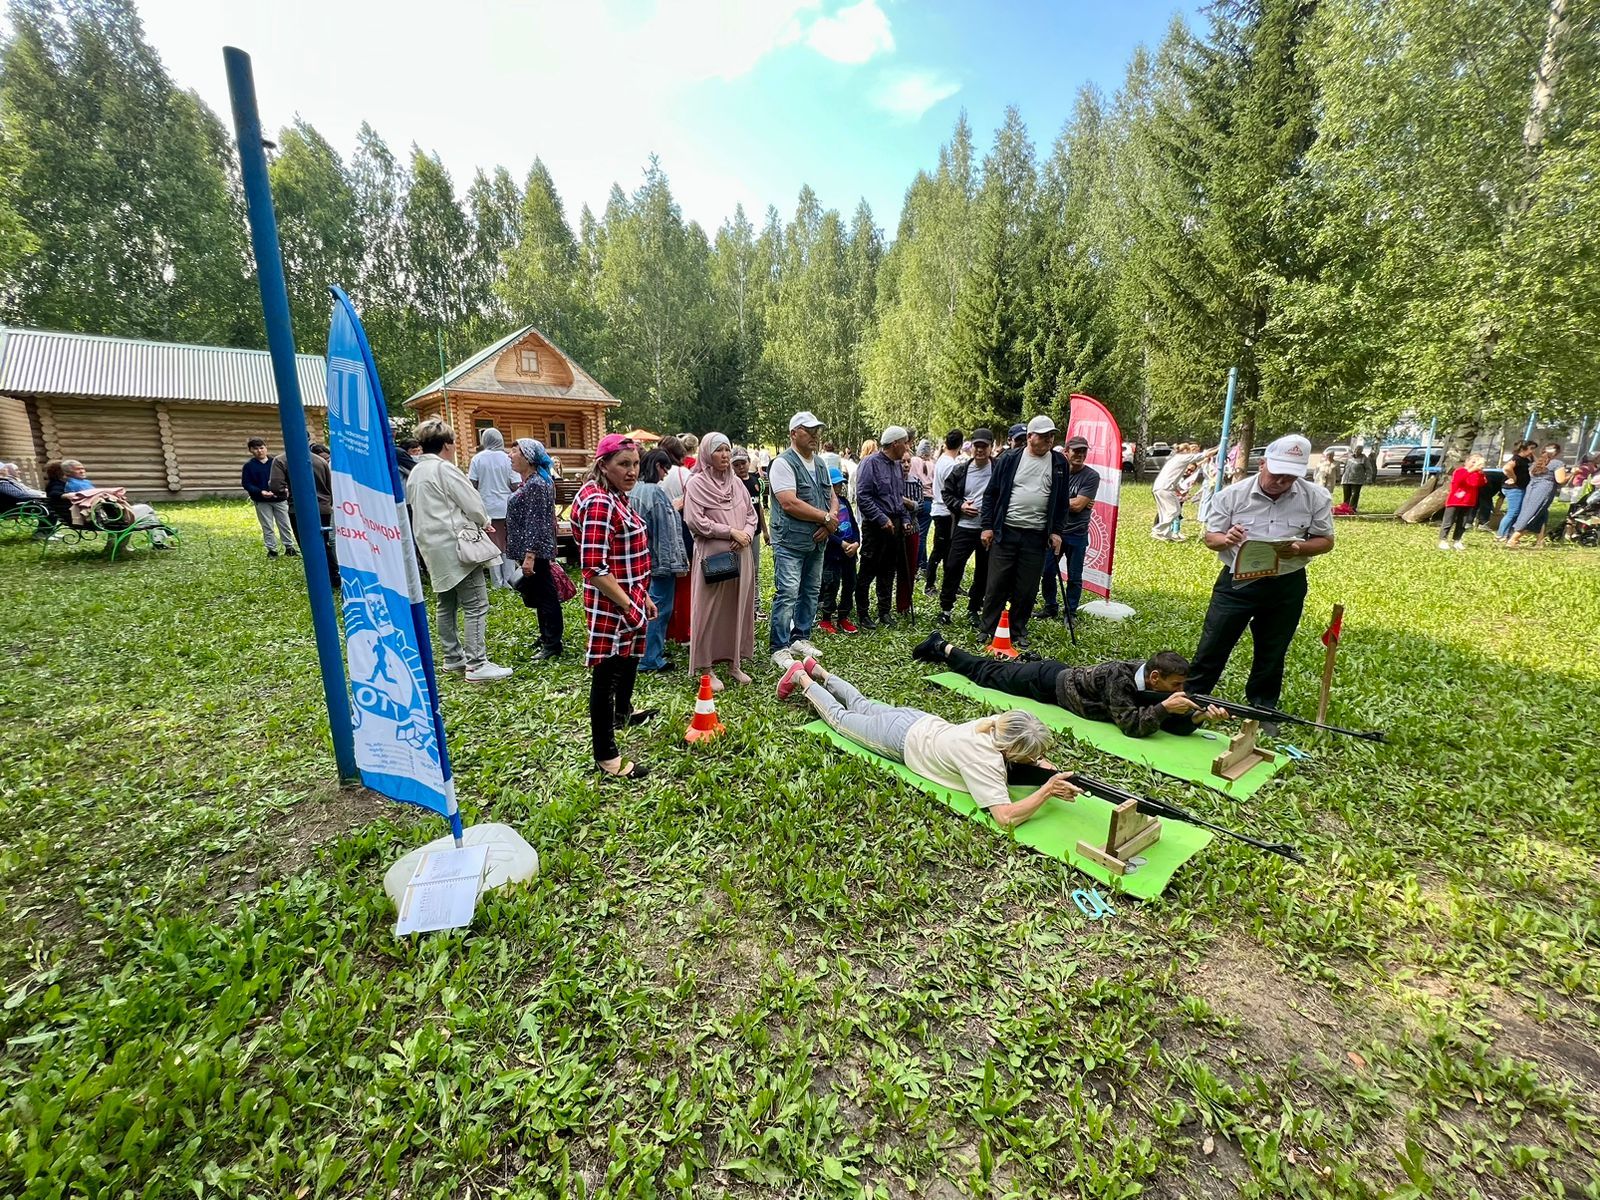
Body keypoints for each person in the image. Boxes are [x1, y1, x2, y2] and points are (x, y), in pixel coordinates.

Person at [775, 656, 1081, 831]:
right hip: (898, 741)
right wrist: (1047, 789)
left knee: (862, 703)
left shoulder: (997, 723)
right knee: (840, 720)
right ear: (1013, 752)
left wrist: (1043, 766)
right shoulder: (983, 759)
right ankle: (802, 677)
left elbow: (1019, 748)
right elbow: (1005, 818)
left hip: (916, 721)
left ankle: (821, 671)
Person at [1187, 434, 1334, 712]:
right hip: (1237, 583)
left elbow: (1326, 541)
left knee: (1273, 650)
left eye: (1290, 478)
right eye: (1277, 474)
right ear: (1263, 463)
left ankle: (1262, 709)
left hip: (1286, 585)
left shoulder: (1315, 496)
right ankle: (1192, 700)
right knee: (1214, 643)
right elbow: (1210, 538)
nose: (1281, 482)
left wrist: (1300, 547)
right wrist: (1227, 539)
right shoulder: (1231, 495)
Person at [912, 631, 1228, 738]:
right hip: (1047, 682)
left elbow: (1164, 721)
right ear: (1156, 678)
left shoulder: (1148, 680)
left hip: (1063, 679)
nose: (1176, 692)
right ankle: (942, 647)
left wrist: (1197, 717)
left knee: (999, 669)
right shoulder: (1121, 676)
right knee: (987, 673)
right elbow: (1133, 725)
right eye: (1173, 686)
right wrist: (1164, 706)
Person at [574, 434, 658, 779]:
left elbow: (627, 554)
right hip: (612, 603)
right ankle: (606, 756)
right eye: (623, 464)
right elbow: (594, 569)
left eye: (636, 463)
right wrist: (627, 606)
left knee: (627, 662)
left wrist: (644, 597)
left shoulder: (616, 496)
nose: (632, 471)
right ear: (603, 465)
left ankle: (623, 713)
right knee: (606, 674)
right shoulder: (599, 503)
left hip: (629, 596)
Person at [404, 419, 513, 683]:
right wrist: (485, 521)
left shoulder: (416, 471)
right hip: (458, 544)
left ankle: (453, 658)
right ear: (447, 445)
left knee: (446, 602)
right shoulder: (445, 469)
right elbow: (473, 503)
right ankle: (477, 664)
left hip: (430, 544)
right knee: (476, 603)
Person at [979, 415, 1069, 649]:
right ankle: (987, 628)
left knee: (1026, 586)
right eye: (1044, 435)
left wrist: (1057, 531)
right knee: (997, 582)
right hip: (1006, 531)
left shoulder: (1059, 463)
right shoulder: (1009, 459)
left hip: (1036, 535)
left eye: (1052, 435)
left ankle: (1018, 630)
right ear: (1030, 437)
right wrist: (987, 526)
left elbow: (1061, 502)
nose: (1049, 439)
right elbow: (991, 495)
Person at [684, 432, 759, 690]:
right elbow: (695, 521)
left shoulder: (737, 483)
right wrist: (729, 532)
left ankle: (733, 662)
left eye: (727, 449)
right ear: (706, 454)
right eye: (719, 450)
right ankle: (707, 666)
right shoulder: (696, 484)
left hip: (742, 553)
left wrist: (747, 534)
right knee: (710, 611)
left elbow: (752, 514)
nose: (725, 455)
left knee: (737, 608)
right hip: (715, 557)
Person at [768, 411, 840, 654]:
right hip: (789, 542)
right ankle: (779, 646)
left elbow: (831, 496)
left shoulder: (820, 463)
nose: (815, 435)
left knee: (810, 591)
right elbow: (790, 503)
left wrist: (828, 521)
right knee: (788, 592)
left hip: (817, 542)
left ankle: (800, 637)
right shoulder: (782, 463)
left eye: (817, 431)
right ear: (793, 433)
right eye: (808, 430)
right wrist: (826, 518)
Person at [506, 437, 565, 661]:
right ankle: (547, 636)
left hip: (536, 551)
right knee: (541, 595)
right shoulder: (534, 481)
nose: (510, 456)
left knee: (546, 595)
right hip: (532, 549)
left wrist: (530, 555)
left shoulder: (537, 484)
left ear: (529, 458)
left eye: (515, 452)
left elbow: (536, 522)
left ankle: (553, 642)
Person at [854, 427, 916, 629]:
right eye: (905, 442)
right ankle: (863, 613)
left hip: (895, 524)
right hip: (875, 526)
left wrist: (905, 519)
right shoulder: (870, 463)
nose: (908, 446)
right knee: (868, 569)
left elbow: (898, 498)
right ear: (895, 443)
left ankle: (884, 611)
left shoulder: (898, 466)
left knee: (888, 570)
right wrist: (881, 518)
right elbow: (862, 496)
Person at [633, 450, 687, 672]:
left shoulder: (635, 490)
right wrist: (675, 564)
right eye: (665, 469)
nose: (666, 475)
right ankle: (651, 659)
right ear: (657, 466)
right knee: (659, 609)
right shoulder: (655, 492)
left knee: (642, 608)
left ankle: (641, 652)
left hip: (640, 561)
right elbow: (667, 532)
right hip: (659, 563)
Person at [1040, 434, 1101, 623]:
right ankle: (1050, 607)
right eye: (1076, 450)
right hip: (1055, 532)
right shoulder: (1056, 471)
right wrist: (1070, 502)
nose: (1080, 455)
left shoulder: (1091, 476)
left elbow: (1078, 506)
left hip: (1077, 534)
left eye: (1084, 451)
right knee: (1047, 571)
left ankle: (1070, 612)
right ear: (1066, 452)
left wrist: (1056, 502)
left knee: (1074, 577)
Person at [938, 428, 995, 627]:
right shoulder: (960, 470)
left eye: (984, 446)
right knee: (953, 566)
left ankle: (974, 608)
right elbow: (947, 494)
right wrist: (960, 505)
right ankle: (946, 609)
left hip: (987, 530)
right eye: (976, 446)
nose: (979, 450)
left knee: (983, 571)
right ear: (971, 447)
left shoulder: (998, 470)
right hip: (963, 526)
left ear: (991, 447)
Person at [467, 428, 518, 587]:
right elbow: (515, 484)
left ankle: (497, 582)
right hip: (507, 507)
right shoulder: (507, 458)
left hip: (486, 508)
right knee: (508, 543)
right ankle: (509, 580)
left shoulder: (477, 459)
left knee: (492, 545)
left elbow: (472, 484)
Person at [659, 436, 696, 646]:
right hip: (683, 530)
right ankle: (683, 631)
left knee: (666, 584)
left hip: (661, 534)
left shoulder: (657, 476)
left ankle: (667, 630)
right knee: (685, 584)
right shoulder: (684, 474)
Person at [817, 467, 860, 635]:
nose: (838, 488)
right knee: (831, 585)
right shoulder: (823, 506)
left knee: (850, 584)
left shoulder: (845, 502)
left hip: (850, 552)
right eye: (834, 485)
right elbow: (826, 532)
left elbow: (854, 525)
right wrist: (841, 543)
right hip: (833, 554)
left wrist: (856, 542)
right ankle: (826, 618)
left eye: (840, 484)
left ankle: (843, 616)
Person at [924, 430, 965, 595]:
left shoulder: (942, 460)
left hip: (942, 509)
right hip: (945, 511)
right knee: (939, 551)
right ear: (960, 445)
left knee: (947, 551)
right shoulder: (950, 464)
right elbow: (952, 491)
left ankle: (950, 584)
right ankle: (930, 585)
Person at [242, 437, 297, 558]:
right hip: (262, 500)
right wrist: (260, 492)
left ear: (266, 448)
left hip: (279, 499)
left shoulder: (276, 462)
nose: (259, 451)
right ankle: (272, 549)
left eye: (261, 448)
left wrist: (286, 489)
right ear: (251, 450)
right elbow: (247, 483)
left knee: (284, 524)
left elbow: (287, 478)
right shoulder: (249, 466)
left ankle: (289, 547)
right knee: (267, 525)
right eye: (255, 449)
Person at [1507, 444, 1568, 549]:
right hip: (1544, 490)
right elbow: (1560, 480)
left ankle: (1540, 541)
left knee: (1542, 513)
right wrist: (1573, 474)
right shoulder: (1557, 463)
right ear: (1557, 453)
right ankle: (1513, 539)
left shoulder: (1536, 463)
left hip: (1531, 489)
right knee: (1533, 513)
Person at [1152, 445, 1214, 541]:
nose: (1192, 453)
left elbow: (1172, 477)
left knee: (1166, 512)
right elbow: (1205, 455)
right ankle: (1158, 530)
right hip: (1165, 488)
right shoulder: (1183, 457)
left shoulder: (1175, 459)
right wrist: (1220, 447)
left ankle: (1166, 533)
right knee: (1174, 511)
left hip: (1160, 487)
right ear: (1185, 451)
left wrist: (1179, 491)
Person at [1438, 454, 1487, 551]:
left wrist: (1480, 474)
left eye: (1477, 463)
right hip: (1455, 501)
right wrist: (1471, 470)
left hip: (1468, 502)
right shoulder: (1460, 471)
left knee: (1462, 523)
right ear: (1466, 462)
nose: (1474, 465)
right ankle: (1443, 540)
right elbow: (1458, 480)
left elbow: (1477, 483)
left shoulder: (1476, 474)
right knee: (1449, 521)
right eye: (1473, 462)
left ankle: (1457, 540)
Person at [1496, 442, 1536, 541]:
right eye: (1531, 448)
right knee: (1513, 512)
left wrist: (1532, 455)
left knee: (1516, 512)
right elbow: (1507, 468)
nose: (1532, 451)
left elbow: (1537, 463)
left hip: (1520, 488)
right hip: (1514, 488)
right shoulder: (1516, 459)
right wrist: (1513, 478)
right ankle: (1500, 534)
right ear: (1523, 449)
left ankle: (1507, 534)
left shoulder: (1525, 460)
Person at [909, 438, 936, 571]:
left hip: (914, 500)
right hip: (928, 502)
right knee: (922, 535)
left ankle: (919, 563)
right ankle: (919, 564)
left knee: (915, 533)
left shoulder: (913, 461)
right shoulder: (933, 464)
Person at [1341, 445, 1374, 512]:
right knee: (1346, 495)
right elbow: (1345, 467)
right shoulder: (1349, 457)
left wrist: (1369, 478)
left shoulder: (1364, 459)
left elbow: (1369, 469)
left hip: (1357, 480)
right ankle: (1345, 508)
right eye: (1356, 449)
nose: (1357, 451)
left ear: (1361, 451)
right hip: (1346, 480)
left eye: (1359, 450)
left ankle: (1352, 509)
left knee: (1354, 495)